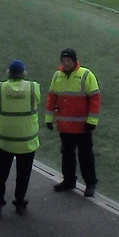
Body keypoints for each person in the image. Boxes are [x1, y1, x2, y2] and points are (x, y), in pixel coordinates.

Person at [0, 59, 40, 216]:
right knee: (23, 175)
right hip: (27, 141)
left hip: (6, 141)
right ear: (24, 73)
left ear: (8, 73)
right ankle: (19, 202)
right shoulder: (34, 88)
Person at [46, 48, 99, 196]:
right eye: (63, 61)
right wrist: (49, 119)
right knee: (67, 155)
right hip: (65, 127)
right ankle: (69, 181)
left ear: (74, 61)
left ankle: (90, 183)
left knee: (86, 157)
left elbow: (95, 99)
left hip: (82, 127)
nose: (66, 63)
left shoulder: (86, 75)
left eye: (68, 60)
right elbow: (52, 98)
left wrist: (92, 121)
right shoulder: (57, 76)